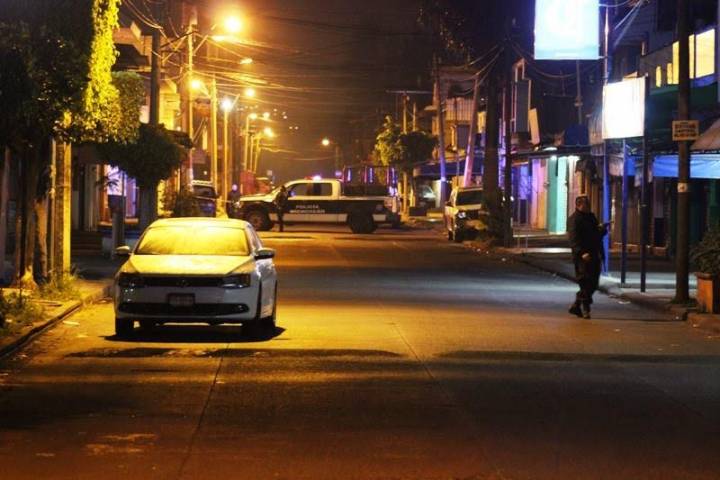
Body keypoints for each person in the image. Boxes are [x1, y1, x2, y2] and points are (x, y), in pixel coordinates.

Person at [567, 196, 608, 319]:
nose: (588, 207)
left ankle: (576, 305)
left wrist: (602, 229)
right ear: (578, 205)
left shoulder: (591, 217)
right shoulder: (574, 219)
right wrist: (581, 253)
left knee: (593, 283)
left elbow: (596, 235)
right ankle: (585, 308)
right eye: (585, 205)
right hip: (582, 257)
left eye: (588, 204)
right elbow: (574, 239)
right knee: (585, 281)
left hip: (595, 253)